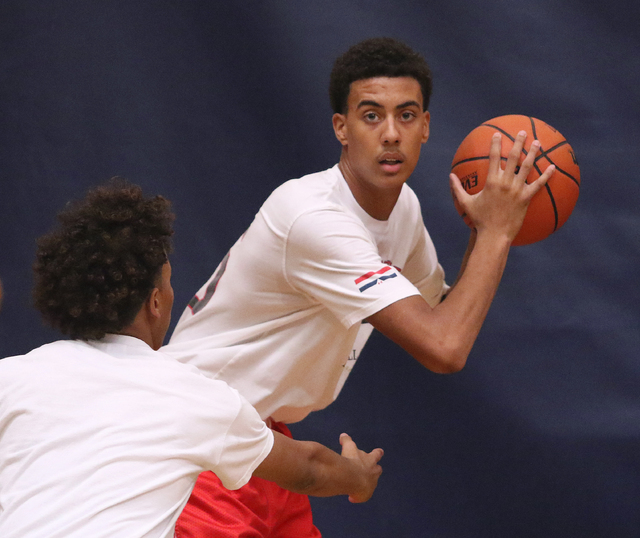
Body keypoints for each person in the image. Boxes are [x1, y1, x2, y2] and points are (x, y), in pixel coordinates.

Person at [164, 37, 555, 536]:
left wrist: (485, 232)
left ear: (427, 127)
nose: (391, 134)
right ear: (341, 129)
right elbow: (445, 347)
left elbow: (444, 314)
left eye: (407, 115)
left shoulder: (402, 208)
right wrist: (497, 233)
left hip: (264, 441)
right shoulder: (316, 218)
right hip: (197, 441)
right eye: (371, 116)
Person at [0, 180, 383, 538]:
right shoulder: (196, 396)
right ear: (154, 302)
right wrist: (358, 476)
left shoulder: (12, 376)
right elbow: (308, 470)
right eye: (166, 283)